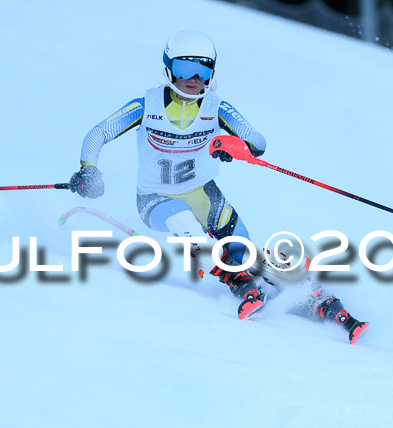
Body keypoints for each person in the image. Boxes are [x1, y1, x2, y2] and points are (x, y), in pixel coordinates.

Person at [68, 30, 369, 342]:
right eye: (185, 69)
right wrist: (89, 170)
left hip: (203, 193)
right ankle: (239, 283)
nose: (194, 78)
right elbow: (98, 133)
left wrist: (234, 143)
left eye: (204, 70)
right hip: (154, 198)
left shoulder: (216, 107)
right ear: (169, 68)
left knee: (245, 251)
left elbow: (257, 140)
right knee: (184, 221)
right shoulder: (146, 105)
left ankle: (314, 298)